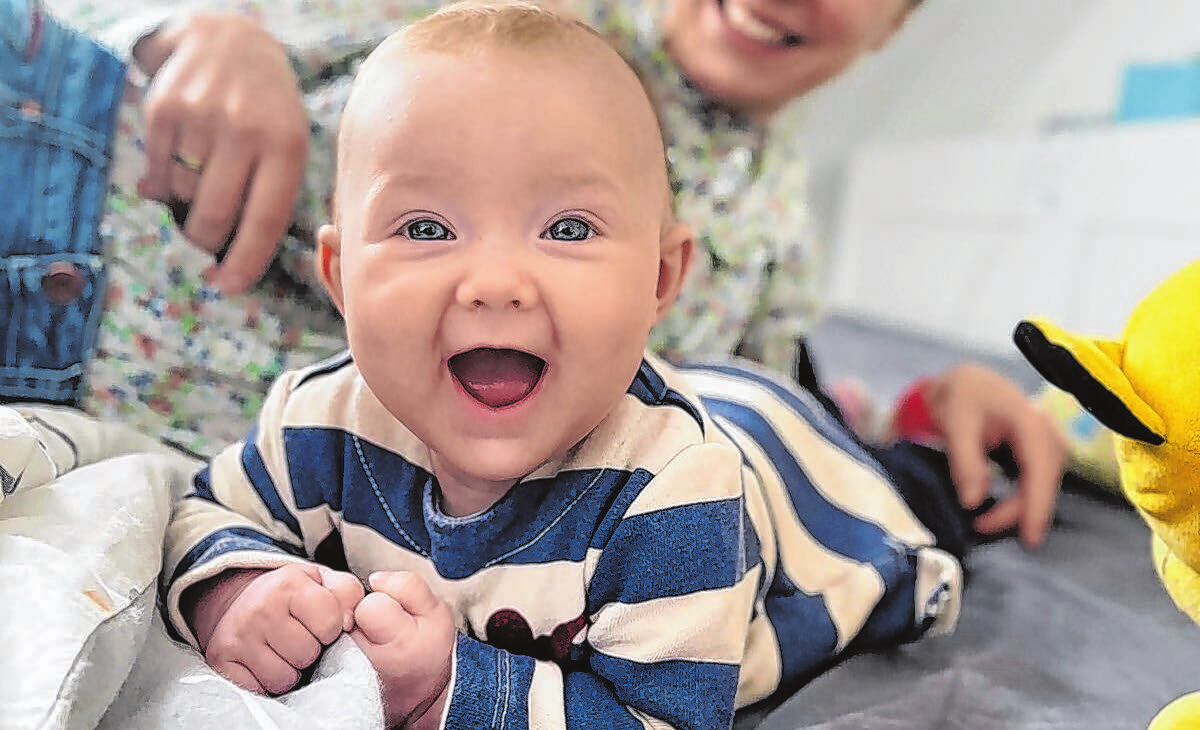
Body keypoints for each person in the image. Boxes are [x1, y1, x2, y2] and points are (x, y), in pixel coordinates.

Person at [161, 5, 962, 727]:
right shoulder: (318, 419)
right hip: (705, 387)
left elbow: (663, 718)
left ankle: (914, 435)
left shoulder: (675, 494)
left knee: (912, 488)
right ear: (341, 279)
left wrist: (448, 689)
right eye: (427, 228)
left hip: (796, 485)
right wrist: (239, 591)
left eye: (569, 229)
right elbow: (205, 512)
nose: (497, 285)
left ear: (659, 282)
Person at [35, 0, 1064, 549]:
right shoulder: (525, 15)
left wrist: (921, 411)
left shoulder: (777, 220)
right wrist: (196, 28)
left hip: (82, 402)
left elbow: (763, 411)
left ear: (898, 24)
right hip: (59, 170)